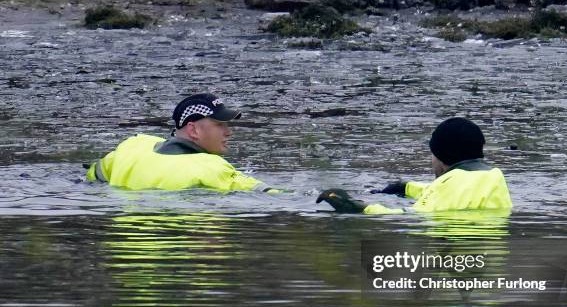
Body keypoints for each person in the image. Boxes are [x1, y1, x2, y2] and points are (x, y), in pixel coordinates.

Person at [85, 93, 278, 193]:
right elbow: (266, 193)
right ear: (194, 130)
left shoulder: (134, 146)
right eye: (219, 124)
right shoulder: (211, 168)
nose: (228, 132)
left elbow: (94, 176)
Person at [316, 117, 512, 214]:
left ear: (442, 156)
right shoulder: (493, 175)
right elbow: (452, 194)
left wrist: (356, 206)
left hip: (455, 246)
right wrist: (407, 187)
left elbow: (409, 217)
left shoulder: (450, 184)